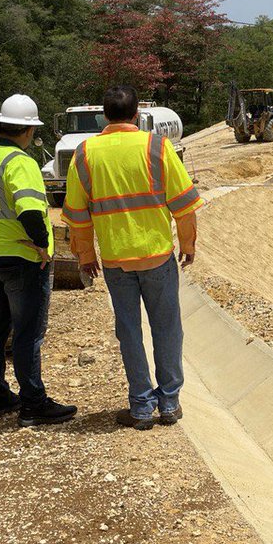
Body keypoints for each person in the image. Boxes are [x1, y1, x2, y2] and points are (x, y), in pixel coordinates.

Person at [63, 85, 202, 431]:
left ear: (104, 118)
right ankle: (169, 403)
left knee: (129, 332)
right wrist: (188, 245)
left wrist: (84, 255)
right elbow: (184, 207)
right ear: (137, 115)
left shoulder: (85, 153)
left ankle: (141, 407)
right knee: (167, 329)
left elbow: (77, 216)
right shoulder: (157, 147)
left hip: (115, 261)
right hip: (156, 257)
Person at [0, 94, 77, 427]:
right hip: (22, 259)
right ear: (27, 131)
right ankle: (33, 404)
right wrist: (42, 246)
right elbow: (29, 211)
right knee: (28, 335)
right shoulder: (20, 162)